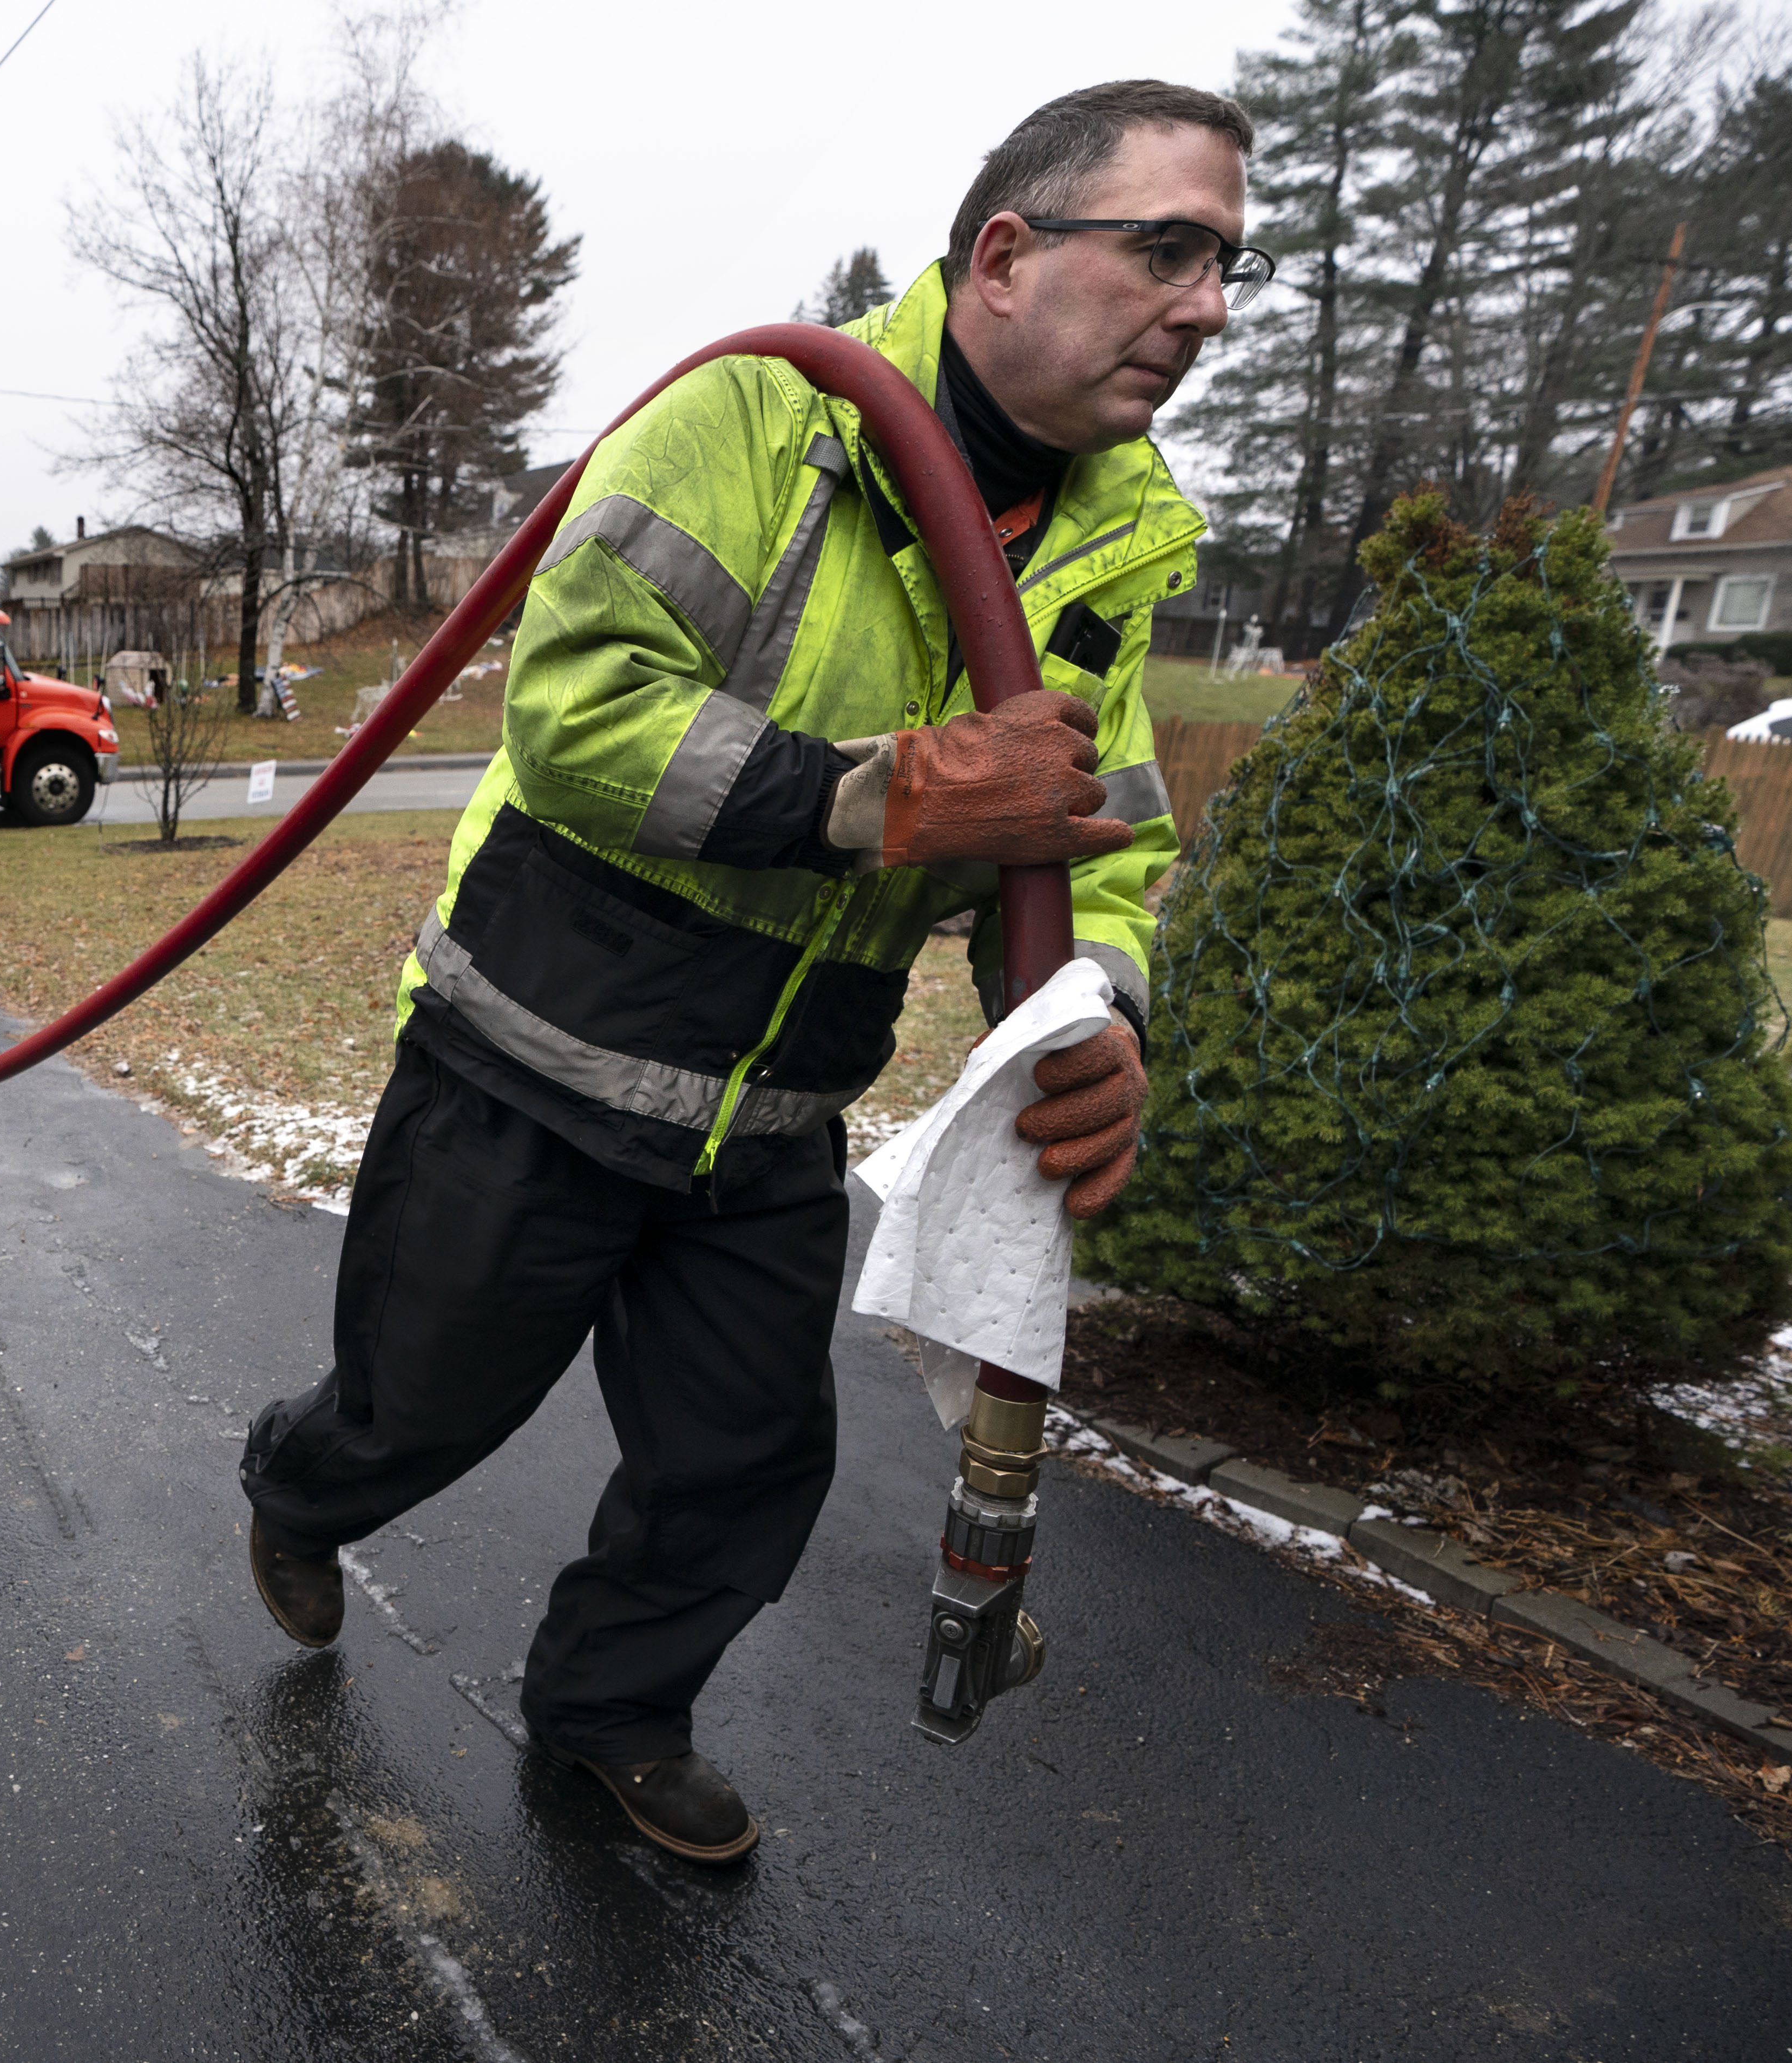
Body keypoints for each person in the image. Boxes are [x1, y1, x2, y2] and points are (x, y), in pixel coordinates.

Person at [239, 80, 1262, 1864]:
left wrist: (1102, 999)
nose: (1208, 307)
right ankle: (295, 1486)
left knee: (741, 1462)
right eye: (1165, 250)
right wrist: (873, 799)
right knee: (418, 1410)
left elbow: (1111, 834)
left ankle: (607, 1713)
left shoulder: (1116, 542)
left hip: (771, 1117)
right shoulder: (755, 422)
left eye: (1230, 265)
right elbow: (571, 719)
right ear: (1004, 256)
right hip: (527, 1064)